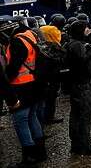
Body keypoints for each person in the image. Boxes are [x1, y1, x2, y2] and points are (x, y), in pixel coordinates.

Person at [1, 16, 48, 165]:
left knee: (21, 121)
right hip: (35, 83)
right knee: (32, 117)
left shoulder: (16, 41)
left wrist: (6, 78)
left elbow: (14, 66)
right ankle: (41, 152)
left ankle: (29, 156)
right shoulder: (30, 35)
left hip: (21, 86)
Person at [66, 20, 91, 155]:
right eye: (86, 28)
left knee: (76, 114)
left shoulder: (71, 43)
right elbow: (82, 60)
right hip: (82, 84)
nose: (89, 30)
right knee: (85, 115)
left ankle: (76, 144)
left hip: (75, 84)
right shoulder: (77, 44)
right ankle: (86, 145)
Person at [39, 25, 65, 125]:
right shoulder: (55, 47)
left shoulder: (40, 46)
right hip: (52, 79)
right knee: (51, 99)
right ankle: (48, 117)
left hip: (43, 79)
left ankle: (44, 118)